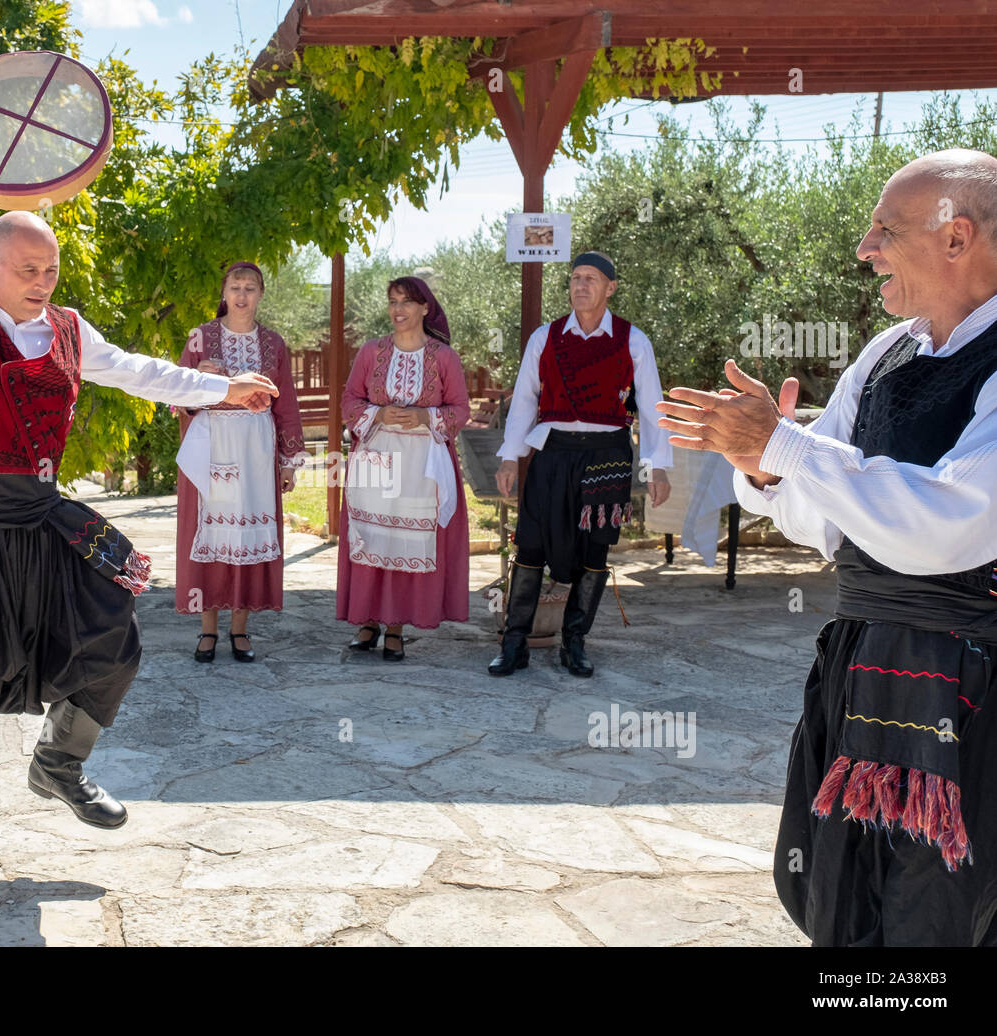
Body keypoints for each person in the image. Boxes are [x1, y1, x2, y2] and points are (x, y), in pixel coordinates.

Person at [0, 143, 277, 907]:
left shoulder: (71, 332)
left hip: (42, 519)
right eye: (27, 270)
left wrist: (222, 388)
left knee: (112, 638)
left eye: (49, 271)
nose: (41, 284)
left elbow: (144, 372)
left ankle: (58, 762)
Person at [654, 149, 997, 946]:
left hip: (972, 684)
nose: (864, 247)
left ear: (958, 237)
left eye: (885, 229)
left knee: (946, 905)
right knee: (839, 886)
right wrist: (765, 469)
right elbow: (830, 521)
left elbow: (954, 520)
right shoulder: (884, 356)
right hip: (861, 663)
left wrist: (791, 451)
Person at [489, 253, 671, 679]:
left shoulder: (633, 340)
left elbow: (651, 406)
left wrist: (657, 467)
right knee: (531, 546)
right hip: (552, 453)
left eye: (591, 279)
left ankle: (575, 642)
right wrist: (509, 458)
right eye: (575, 278)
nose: (581, 285)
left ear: (610, 288)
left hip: (607, 455)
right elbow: (524, 402)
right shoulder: (545, 338)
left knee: (595, 550)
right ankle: (514, 643)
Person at [175, 262, 304, 663]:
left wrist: (289, 460)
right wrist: (198, 376)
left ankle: (241, 630)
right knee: (209, 536)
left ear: (261, 294)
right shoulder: (201, 337)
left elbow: (288, 407)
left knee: (247, 536)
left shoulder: (274, 344)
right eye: (235, 287)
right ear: (224, 292)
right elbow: (176, 392)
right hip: (212, 444)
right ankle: (208, 631)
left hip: (255, 450)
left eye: (250, 288)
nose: (242, 295)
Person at [337, 276, 470, 660]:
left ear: (425, 308)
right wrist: (378, 412)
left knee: (403, 540)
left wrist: (425, 417)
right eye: (393, 301)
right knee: (371, 537)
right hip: (376, 458)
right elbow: (349, 399)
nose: (399, 309)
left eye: (407, 302)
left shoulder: (444, 357)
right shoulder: (371, 352)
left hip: (420, 465)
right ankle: (368, 620)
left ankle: (395, 625)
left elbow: (460, 409)